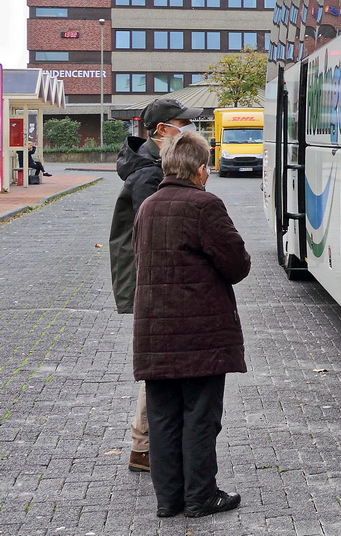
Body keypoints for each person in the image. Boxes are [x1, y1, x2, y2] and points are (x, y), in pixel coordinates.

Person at [132, 130, 250, 518]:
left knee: (163, 416)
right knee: (200, 415)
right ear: (201, 170)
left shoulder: (148, 206)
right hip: (200, 333)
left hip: (154, 329)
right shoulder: (204, 206)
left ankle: (169, 499)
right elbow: (236, 265)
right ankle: (201, 496)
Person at [107, 97, 203, 474]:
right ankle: (144, 446)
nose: (189, 130)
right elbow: (162, 232)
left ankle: (144, 446)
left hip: (151, 280)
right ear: (162, 130)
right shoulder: (150, 174)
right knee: (162, 364)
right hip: (154, 282)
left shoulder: (150, 166)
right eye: (184, 124)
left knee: (163, 361)